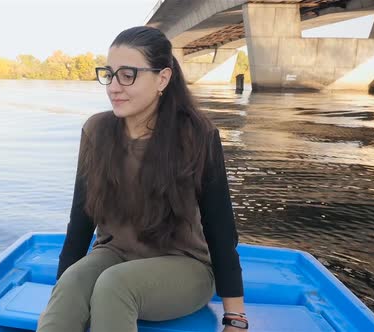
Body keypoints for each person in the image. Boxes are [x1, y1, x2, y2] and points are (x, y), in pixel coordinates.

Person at [37, 26, 248, 332]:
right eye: (109, 74)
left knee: (115, 286)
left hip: (185, 265)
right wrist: (61, 299)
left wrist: (235, 318)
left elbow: (220, 228)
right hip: (115, 254)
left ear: (162, 78)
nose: (113, 87)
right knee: (72, 283)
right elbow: (81, 221)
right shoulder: (96, 132)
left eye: (128, 75)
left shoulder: (197, 136)